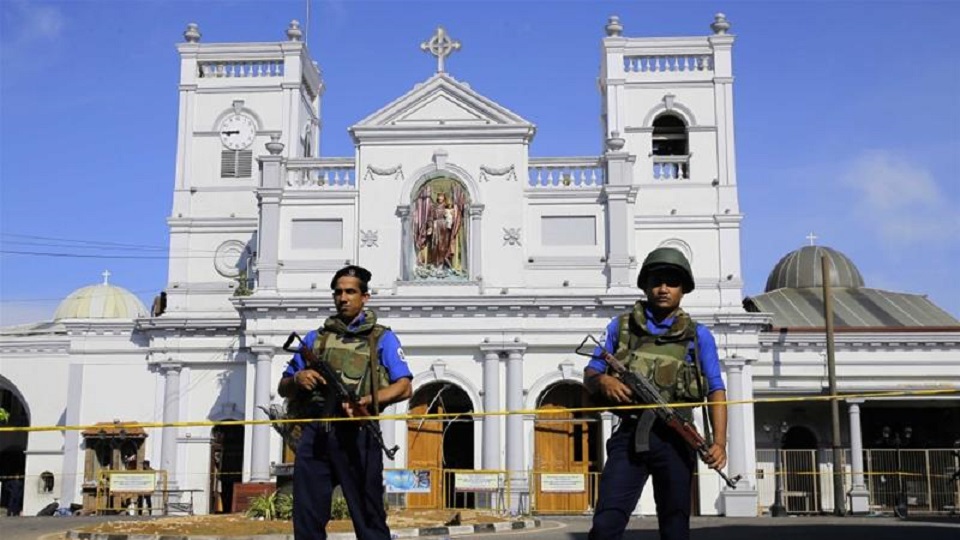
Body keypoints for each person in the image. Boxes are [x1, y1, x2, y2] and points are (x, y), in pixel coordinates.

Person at [585, 247, 728, 540]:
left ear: (683, 289)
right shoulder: (621, 327)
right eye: (657, 281)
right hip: (630, 437)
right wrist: (603, 382)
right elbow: (591, 372)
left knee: (675, 528)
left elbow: (715, 388)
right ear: (646, 285)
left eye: (672, 282)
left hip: (677, 438)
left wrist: (720, 443)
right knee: (605, 525)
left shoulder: (698, 335)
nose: (663, 289)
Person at [279, 265, 412, 540]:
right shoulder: (316, 338)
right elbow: (284, 386)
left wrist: (364, 402)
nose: (343, 297)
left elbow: (404, 387)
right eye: (338, 292)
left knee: (369, 520)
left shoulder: (381, 338)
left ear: (365, 297)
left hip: (359, 434)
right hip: (317, 435)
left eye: (350, 291)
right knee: (307, 519)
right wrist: (298, 379)